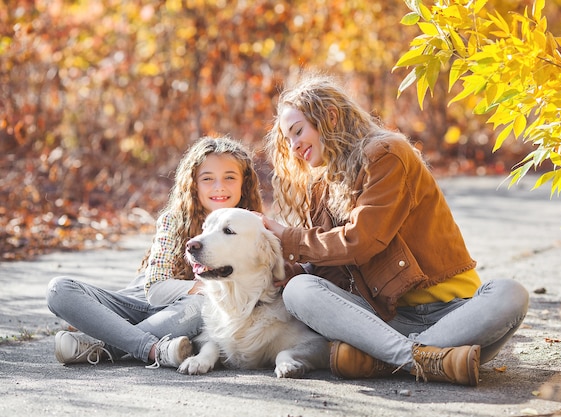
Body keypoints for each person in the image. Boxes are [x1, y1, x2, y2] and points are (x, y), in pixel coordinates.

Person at [258, 73, 529, 386]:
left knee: (510, 294)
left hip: (456, 316)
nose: (293, 147)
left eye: (297, 131)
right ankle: (422, 358)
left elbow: (362, 241)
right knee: (299, 290)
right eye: (287, 139)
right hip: (387, 320)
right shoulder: (319, 187)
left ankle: (383, 359)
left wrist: (288, 237)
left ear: (329, 117)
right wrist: (294, 270)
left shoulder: (387, 155)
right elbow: (330, 270)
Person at [47, 136, 264, 369]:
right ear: (193, 184)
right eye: (207, 179)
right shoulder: (174, 221)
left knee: (203, 307)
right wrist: (205, 286)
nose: (219, 186)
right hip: (135, 305)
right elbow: (156, 290)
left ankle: (99, 345)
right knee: (59, 289)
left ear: (244, 183)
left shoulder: (253, 228)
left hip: (183, 316)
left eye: (229, 178)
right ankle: (154, 350)